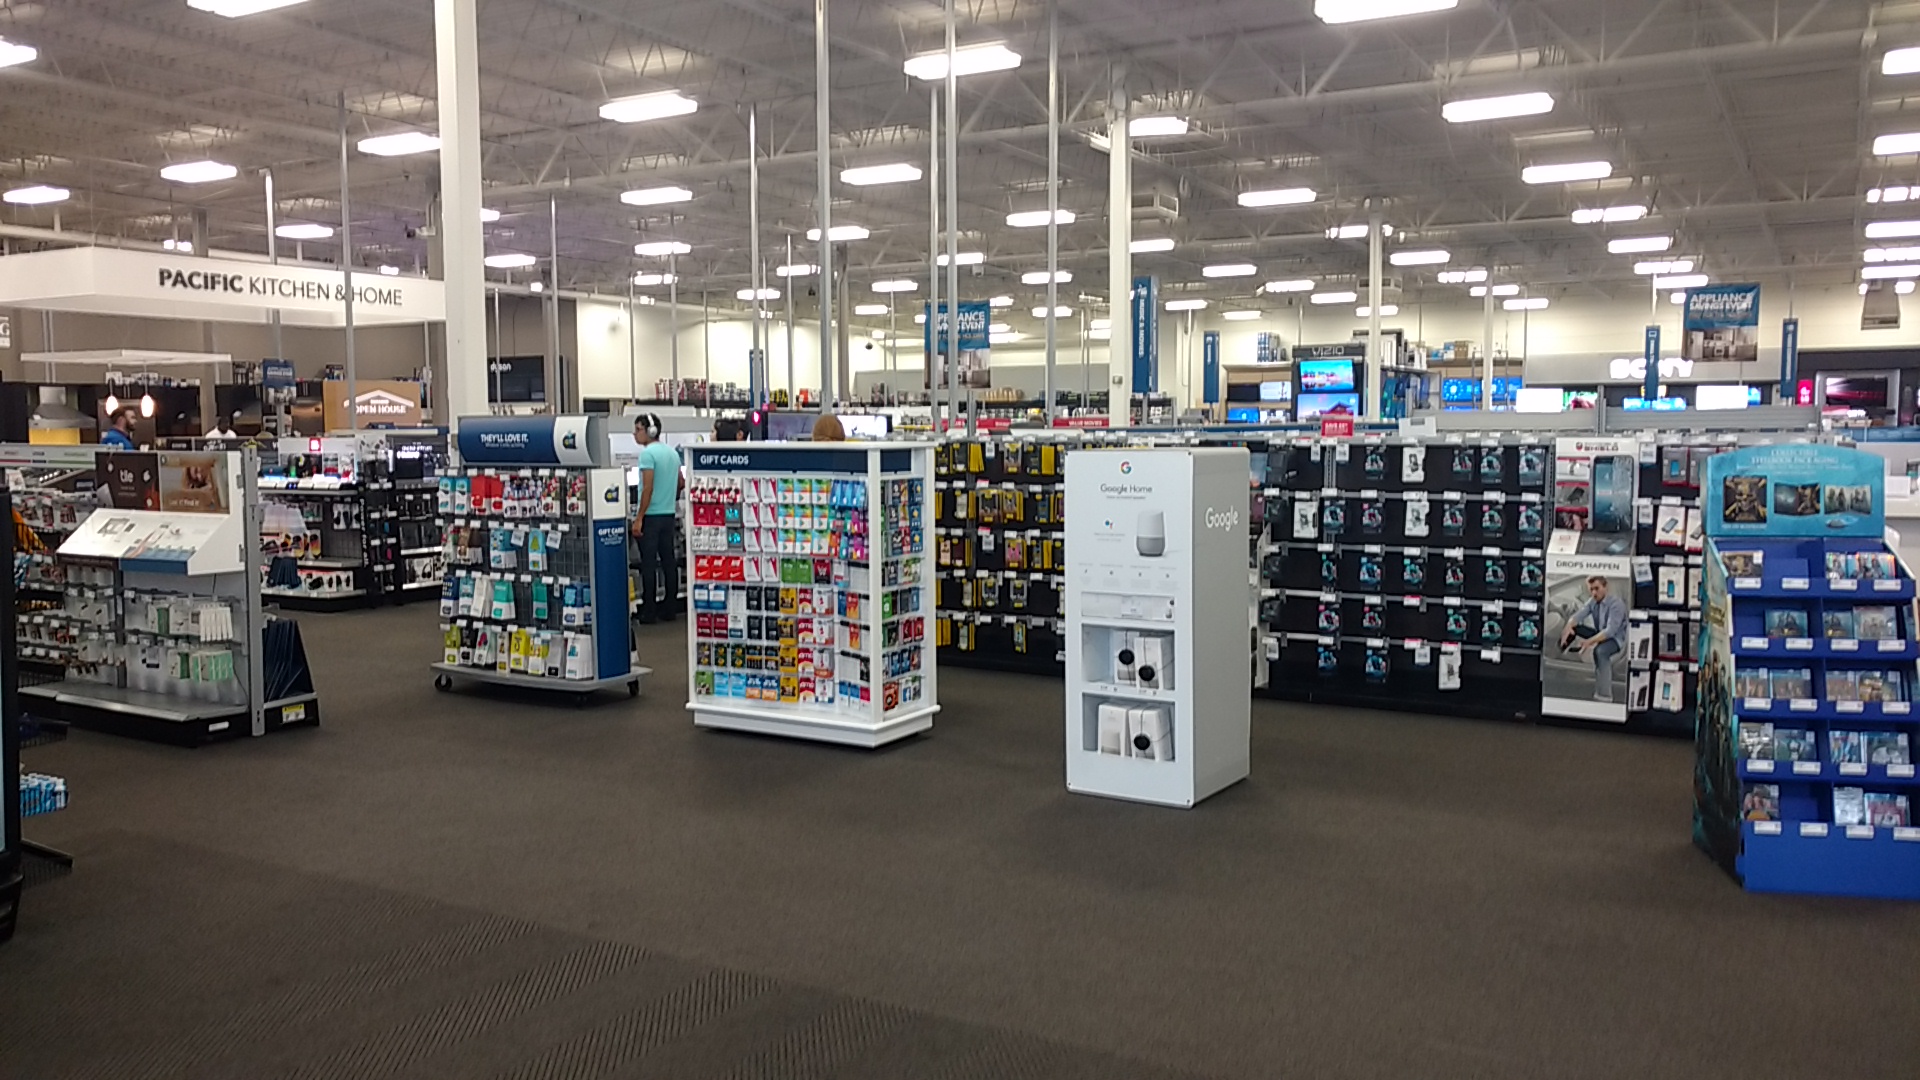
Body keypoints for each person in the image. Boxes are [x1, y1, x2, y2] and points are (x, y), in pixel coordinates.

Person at [631, 413, 682, 624]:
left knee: (649, 564)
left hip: (651, 516)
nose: (635, 434)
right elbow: (681, 482)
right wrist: (671, 498)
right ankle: (670, 608)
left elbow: (647, 488)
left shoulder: (647, 455)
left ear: (650, 431)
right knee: (669, 561)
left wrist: (639, 517)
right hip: (668, 514)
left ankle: (649, 611)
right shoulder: (673, 453)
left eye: (638, 429)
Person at [1560, 575, 1628, 702]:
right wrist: (1568, 626)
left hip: (1615, 639)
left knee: (1600, 652)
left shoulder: (1616, 604)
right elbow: (1579, 615)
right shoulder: (1593, 601)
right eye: (1591, 589)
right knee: (1574, 628)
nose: (1594, 593)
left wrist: (1589, 642)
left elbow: (1610, 631)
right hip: (1600, 633)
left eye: (1597, 588)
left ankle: (1604, 695)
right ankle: (1561, 654)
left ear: (1605, 587)